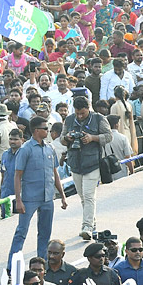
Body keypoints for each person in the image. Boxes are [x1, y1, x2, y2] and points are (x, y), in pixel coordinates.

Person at [9, 116, 68, 263]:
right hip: (29, 198)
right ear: (36, 131)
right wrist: (19, 200)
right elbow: (17, 176)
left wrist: (62, 195)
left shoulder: (50, 148)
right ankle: (12, 265)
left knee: (45, 233)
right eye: (45, 128)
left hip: (47, 197)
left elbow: (55, 173)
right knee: (21, 232)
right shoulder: (25, 150)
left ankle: (42, 264)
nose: (48, 131)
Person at [62, 95, 113, 239]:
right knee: (83, 197)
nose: (79, 116)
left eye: (82, 113)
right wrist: (68, 138)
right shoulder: (70, 120)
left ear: (88, 108)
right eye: (77, 113)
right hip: (75, 163)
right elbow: (62, 138)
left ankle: (87, 226)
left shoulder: (99, 119)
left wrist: (93, 138)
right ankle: (92, 221)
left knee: (89, 196)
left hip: (92, 163)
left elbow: (109, 136)